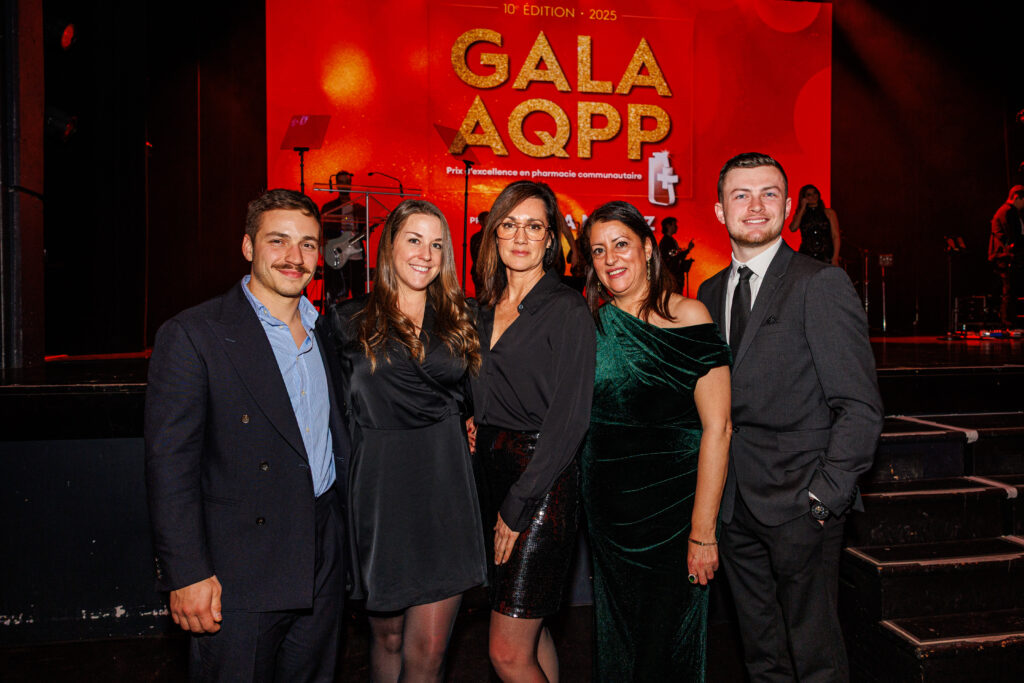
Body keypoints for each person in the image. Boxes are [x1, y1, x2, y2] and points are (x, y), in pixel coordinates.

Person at [145, 189, 350, 681]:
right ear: (247, 246)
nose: (294, 256)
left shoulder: (327, 331)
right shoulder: (195, 334)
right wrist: (187, 572)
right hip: (239, 569)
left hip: (322, 555)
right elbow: (170, 466)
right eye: (278, 240)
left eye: (307, 244)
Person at [697, 153, 883, 682]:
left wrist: (825, 497)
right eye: (741, 195)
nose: (755, 206)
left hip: (802, 503)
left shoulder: (819, 283)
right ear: (720, 210)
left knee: (816, 657)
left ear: (786, 207)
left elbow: (860, 406)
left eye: (769, 194)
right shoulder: (709, 293)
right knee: (762, 656)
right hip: (734, 504)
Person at [319, 199, 487, 682]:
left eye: (436, 244)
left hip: (444, 487)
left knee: (428, 653)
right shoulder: (346, 320)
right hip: (378, 492)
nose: (425, 254)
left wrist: (476, 423)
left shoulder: (464, 317)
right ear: (388, 244)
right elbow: (329, 411)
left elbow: (485, 394)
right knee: (388, 638)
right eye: (414, 240)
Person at [578, 201, 732, 681]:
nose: (610, 259)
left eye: (621, 244)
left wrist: (703, 532)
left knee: (665, 648)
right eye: (598, 250)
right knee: (619, 643)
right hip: (609, 516)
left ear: (647, 248)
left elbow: (719, 428)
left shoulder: (689, 314)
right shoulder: (590, 324)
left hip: (675, 516)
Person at [471, 180, 596, 681]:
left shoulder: (567, 309)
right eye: (510, 224)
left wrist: (520, 502)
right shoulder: (483, 306)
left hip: (541, 482)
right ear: (494, 234)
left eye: (534, 226)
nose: (521, 236)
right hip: (490, 475)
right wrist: (472, 416)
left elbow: (570, 419)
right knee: (533, 629)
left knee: (507, 651)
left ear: (550, 240)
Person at [320, 170, 369, 301]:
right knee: (338, 294)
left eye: (347, 182)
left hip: (356, 255)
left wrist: (366, 232)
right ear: (336, 184)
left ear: (351, 184)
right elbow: (324, 233)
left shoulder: (359, 208)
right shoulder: (329, 208)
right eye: (341, 182)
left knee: (358, 295)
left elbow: (365, 235)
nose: (344, 185)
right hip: (337, 255)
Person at [988, 185, 1024, 327]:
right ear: (1017, 198)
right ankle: (1008, 322)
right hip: (1005, 256)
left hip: (1005, 255)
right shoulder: (1008, 212)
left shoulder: (1007, 211)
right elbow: (1012, 235)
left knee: (1009, 290)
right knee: (1009, 290)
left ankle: (1008, 321)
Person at [788, 184, 840, 265]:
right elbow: (793, 228)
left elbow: (835, 236)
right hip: (807, 255)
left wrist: (835, 257)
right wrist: (802, 208)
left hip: (826, 254)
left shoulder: (829, 213)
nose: (813, 196)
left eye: (815, 193)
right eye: (809, 195)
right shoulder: (801, 215)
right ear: (804, 198)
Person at [659, 216, 695, 293]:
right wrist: (687, 250)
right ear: (668, 226)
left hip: (674, 277)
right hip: (672, 278)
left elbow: (675, 255)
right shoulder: (666, 241)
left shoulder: (670, 240)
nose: (676, 227)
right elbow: (672, 255)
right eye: (674, 225)